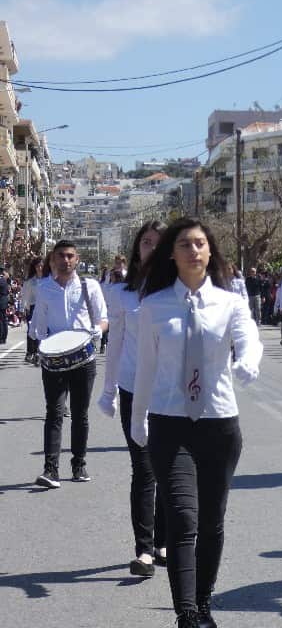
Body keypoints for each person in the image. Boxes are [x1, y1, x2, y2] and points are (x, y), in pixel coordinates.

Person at [131, 218, 262, 628]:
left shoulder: (230, 303)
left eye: (200, 243)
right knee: (183, 518)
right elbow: (144, 370)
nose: (193, 250)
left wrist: (247, 362)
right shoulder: (153, 307)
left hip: (219, 424)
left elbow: (250, 337)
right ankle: (186, 612)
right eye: (185, 244)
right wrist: (138, 422)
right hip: (170, 424)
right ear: (172, 253)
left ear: (210, 252)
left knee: (211, 521)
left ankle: (204, 602)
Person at [97, 220, 167, 578]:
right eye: (146, 243)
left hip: (171, 395)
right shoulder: (124, 295)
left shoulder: (180, 291)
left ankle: (163, 540)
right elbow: (116, 345)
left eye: (158, 242)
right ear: (138, 250)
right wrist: (108, 391)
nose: (151, 248)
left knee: (169, 469)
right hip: (132, 389)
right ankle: (144, 549)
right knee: (143, 468)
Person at [30, 240, 108, 488]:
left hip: (83, 359)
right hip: (53, 359)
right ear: (53, 260)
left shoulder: (90, 286)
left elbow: (103, 318)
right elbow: (38, 324)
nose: (66, 260)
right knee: (53, 413)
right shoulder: (43, 288)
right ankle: (50, 469)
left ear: (77, 259)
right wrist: (40, 342)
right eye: (61, 256)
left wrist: (96, 331)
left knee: (80, 414)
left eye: (70, 256)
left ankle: (79, 464)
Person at [21, 257, 44, 365]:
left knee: (43, 331)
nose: (40, 268)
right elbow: (25, 296)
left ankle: (40, 353)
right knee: (32, 330)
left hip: (46, 308)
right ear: (34, 267)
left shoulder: (48, 279)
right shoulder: (30, 281)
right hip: (34, 308)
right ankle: (31, 352)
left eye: (41, 265)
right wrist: (23, 309)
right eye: (38, 266)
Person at [0, 265, 8, 344]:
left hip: (1, 302)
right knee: (3, 320)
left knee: (2, 321)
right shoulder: (4, 279)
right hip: (3, 302)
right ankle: (3, 337)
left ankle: (2, 338)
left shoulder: (1, 280)